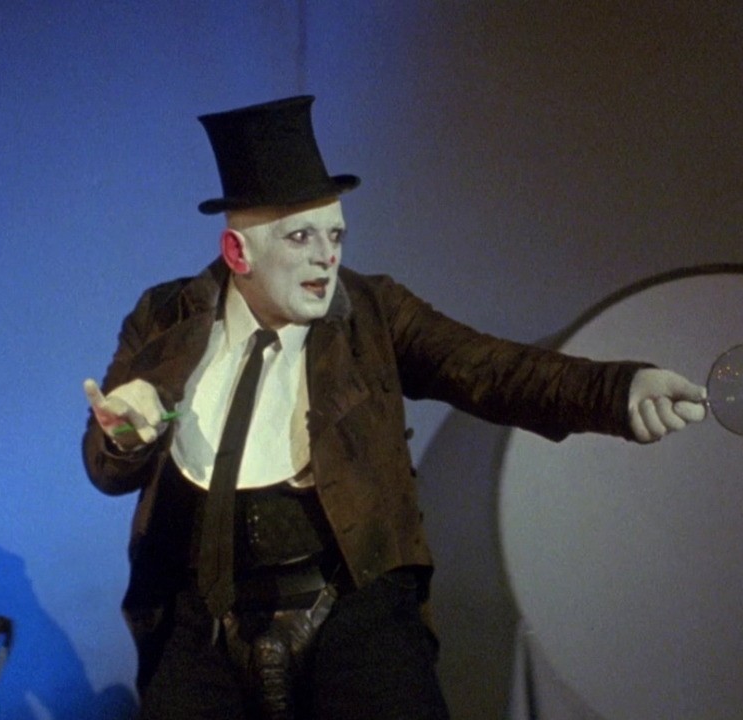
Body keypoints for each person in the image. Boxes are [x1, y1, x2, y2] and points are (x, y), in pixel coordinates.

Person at [81, 95, 705, 720]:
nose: (326, 256)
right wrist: (125, 436)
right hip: (201, 621)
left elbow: (492, 369)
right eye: (300, 237)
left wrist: (617, 391)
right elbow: (107, 466)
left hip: (348, 604)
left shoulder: (372, 312)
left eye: (335, 235)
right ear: (238, 253)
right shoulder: (164, 316)